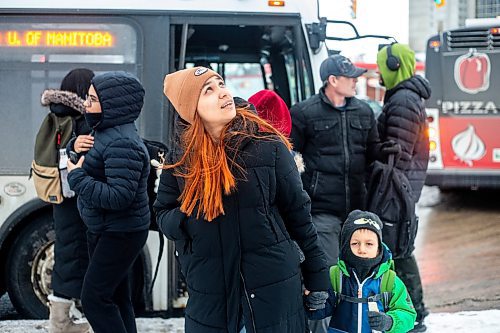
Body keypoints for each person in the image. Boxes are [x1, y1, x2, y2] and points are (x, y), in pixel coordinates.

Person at [155, 67, 329, 333]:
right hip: (210, 294)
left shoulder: (268, 146)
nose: (223, 92)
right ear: (191, 108)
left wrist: (318, 278)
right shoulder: (180, 160)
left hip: (273, 288)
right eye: (208, 90)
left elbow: (299, 215)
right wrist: (189, 219)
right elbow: (162, 213)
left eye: (221, 84)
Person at [290, 55, 384, 333]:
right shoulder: (304, 113)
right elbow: (292, 160)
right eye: (351, 77)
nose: (356, 80)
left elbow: (373, 155)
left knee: (356, 278)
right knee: (329, 276)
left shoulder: (364, 112)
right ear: (333, 81)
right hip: (321, 210)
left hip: (357, 213)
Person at [66, 71, 151, 333]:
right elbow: (91, 160)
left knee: (94, 300)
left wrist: (76, 178)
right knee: (115, 297)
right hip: (108, 228)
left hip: (120, 232)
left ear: (112, 102)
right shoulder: (104, 130)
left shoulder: (123, 143)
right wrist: (74, 146)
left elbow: (119, 197)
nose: (85, 104)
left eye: (92, 99)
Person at [376, 43, 431, 332]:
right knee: (400, 250)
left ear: (394, 65)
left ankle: (414, 314)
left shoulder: (403, 101)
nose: (379, 73)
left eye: (382, 65)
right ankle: (414, 312)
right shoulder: (403, 97)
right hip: (401, 188)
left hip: (396, 190)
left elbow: (396, 153)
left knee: (399, 251)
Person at [40, 68, 94, 333]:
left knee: (68, 250)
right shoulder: (79, 117)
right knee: (74, 252)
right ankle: (60, 322)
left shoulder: (57, 113)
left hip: (61, 195)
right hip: (76, 195)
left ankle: (65, 316)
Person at [306, 210, 417, 333]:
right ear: (346, 246)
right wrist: (314, 304)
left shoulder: (390, 280)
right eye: (355, 243)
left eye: (369, 244)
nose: (362, 249)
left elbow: (408, 314)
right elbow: (320, 311)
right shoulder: (335, 276)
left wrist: (390, 322)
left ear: (379, 247)